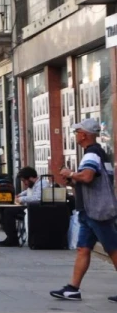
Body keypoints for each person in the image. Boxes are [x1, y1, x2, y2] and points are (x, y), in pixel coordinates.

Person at [50, 119, 117, 302]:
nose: (75, 135)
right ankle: (73, 289)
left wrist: (70, 174)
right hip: (89, 211)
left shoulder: (92, 154)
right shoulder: (98, 153)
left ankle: (73, 288)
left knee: (113, 249)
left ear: (84, 135)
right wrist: (73, 180)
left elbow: (87, 177)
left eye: (77, 131)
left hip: (96, 210)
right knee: (83, 249)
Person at [0, 167, 39, 247]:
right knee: (4, 209)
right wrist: (19, 195)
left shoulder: (42, 184)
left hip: (33, 209)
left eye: (24, 181)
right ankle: (10, 237)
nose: (24, 183)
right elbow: (28, 191)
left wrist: (20, 199)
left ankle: (12, 239)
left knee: (8, 212)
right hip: (28, 207)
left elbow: (37, 198)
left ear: (30, 178)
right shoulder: (34, 184)